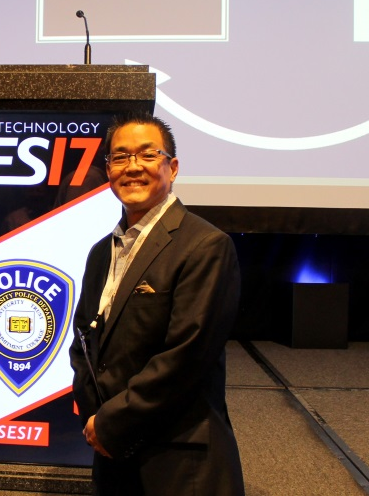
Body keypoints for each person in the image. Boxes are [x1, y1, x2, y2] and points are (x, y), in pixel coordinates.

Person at [68, 111, 244, 496]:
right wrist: (96, 416)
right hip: (113, 454)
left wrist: (113, 421)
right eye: (120, 157)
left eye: (148, 155)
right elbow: (84, 340)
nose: (132, 167)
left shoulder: (205, 246)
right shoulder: (101, 252)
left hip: (179, 458)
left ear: (173, 167)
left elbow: (187, 356)